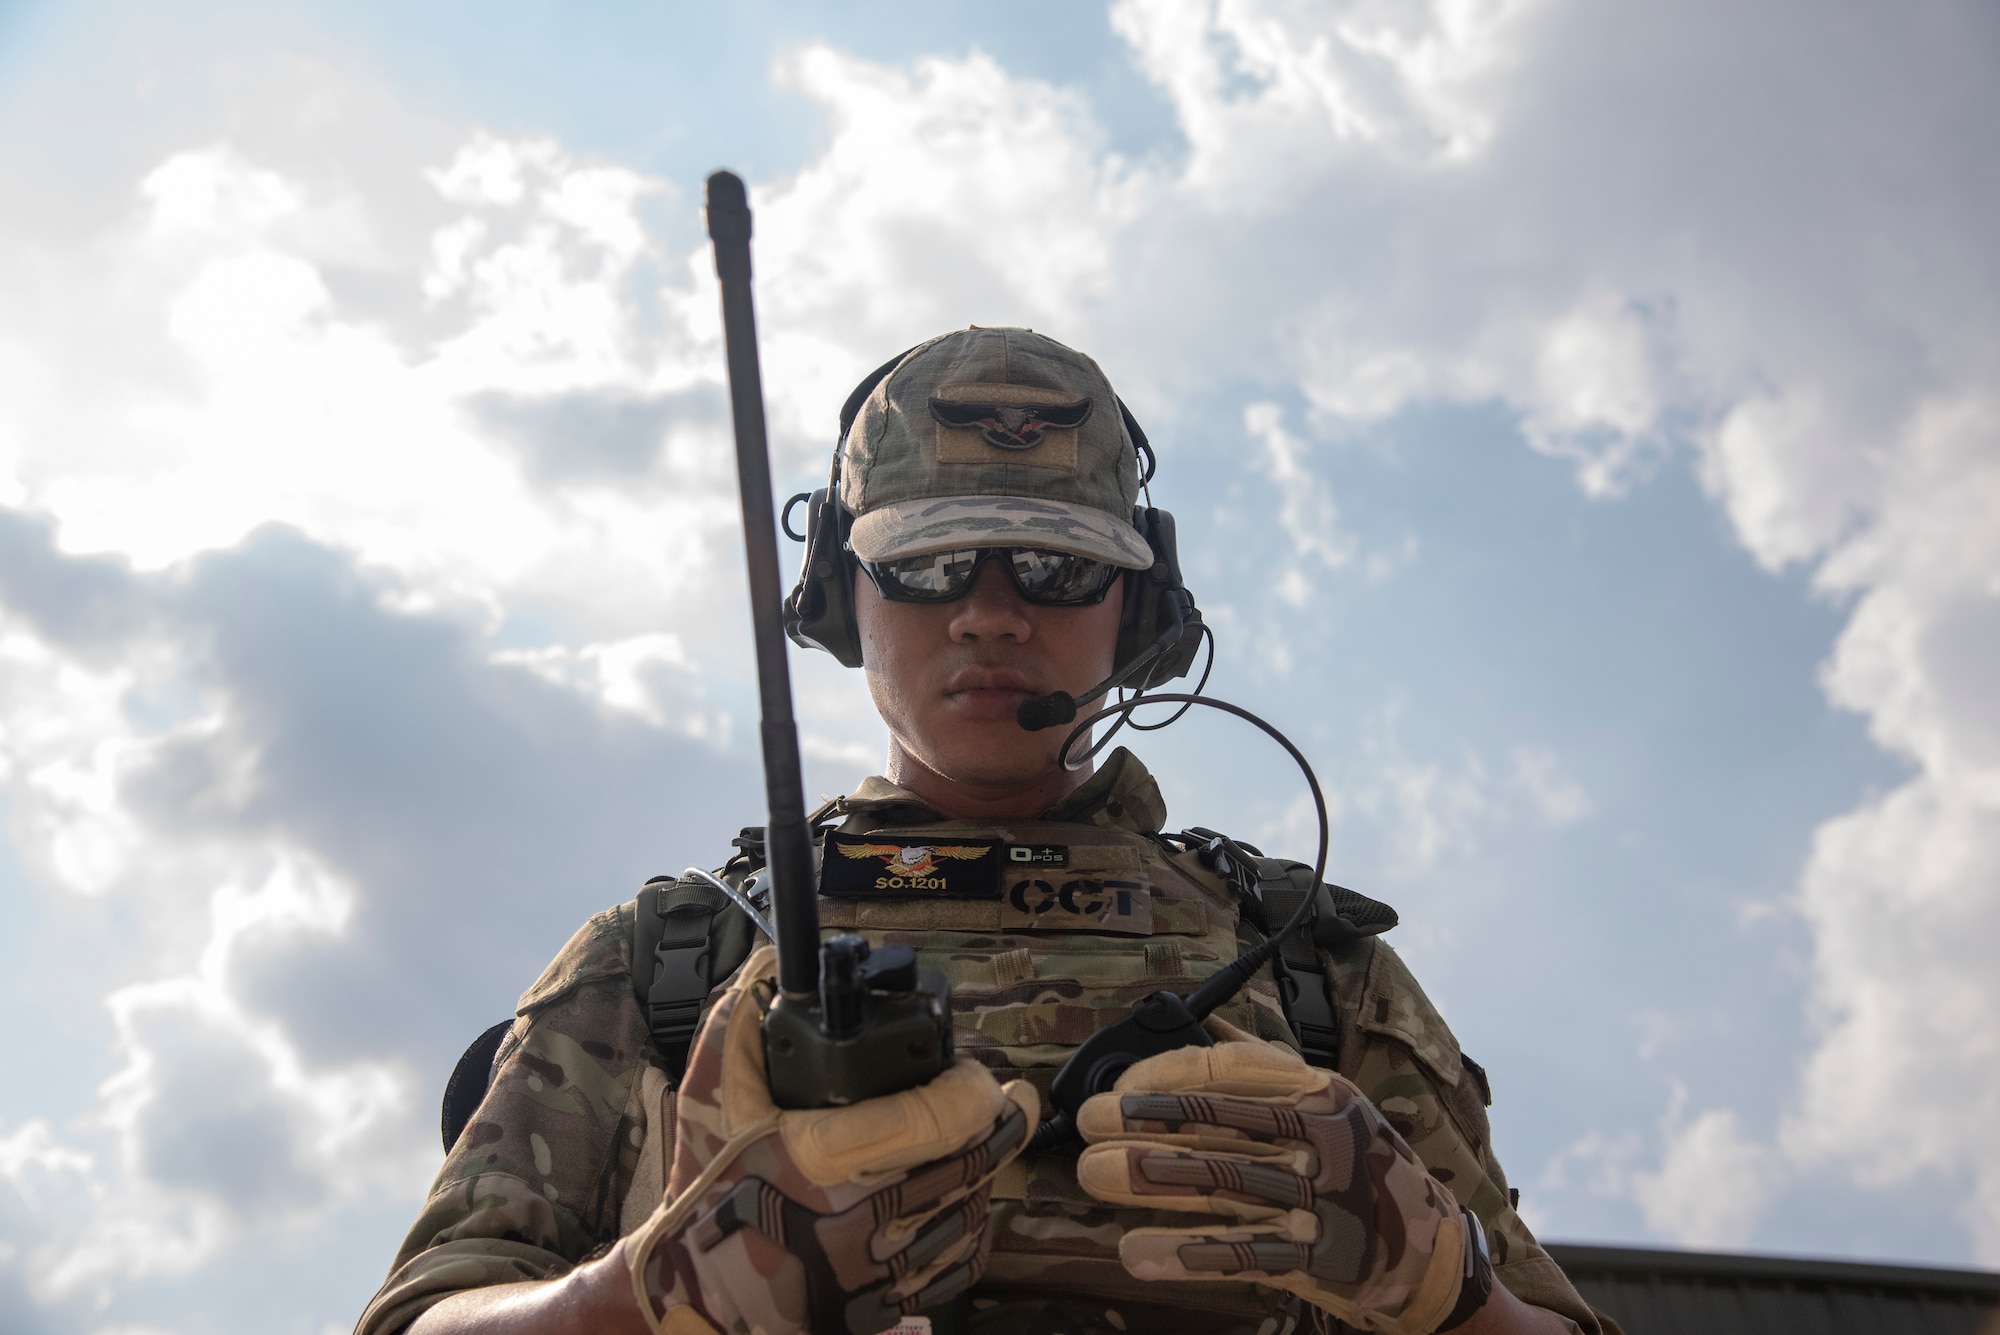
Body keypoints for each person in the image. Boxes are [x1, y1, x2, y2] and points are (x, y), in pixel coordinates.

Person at [355, 328, 1613, 1335]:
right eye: (931, 562)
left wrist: (1447, 1296)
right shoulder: (671, 956)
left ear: (1138, 608)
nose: (991, 614)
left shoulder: (1307, 963)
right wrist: (638, 1302)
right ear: (841, 593)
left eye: (1056, 567)